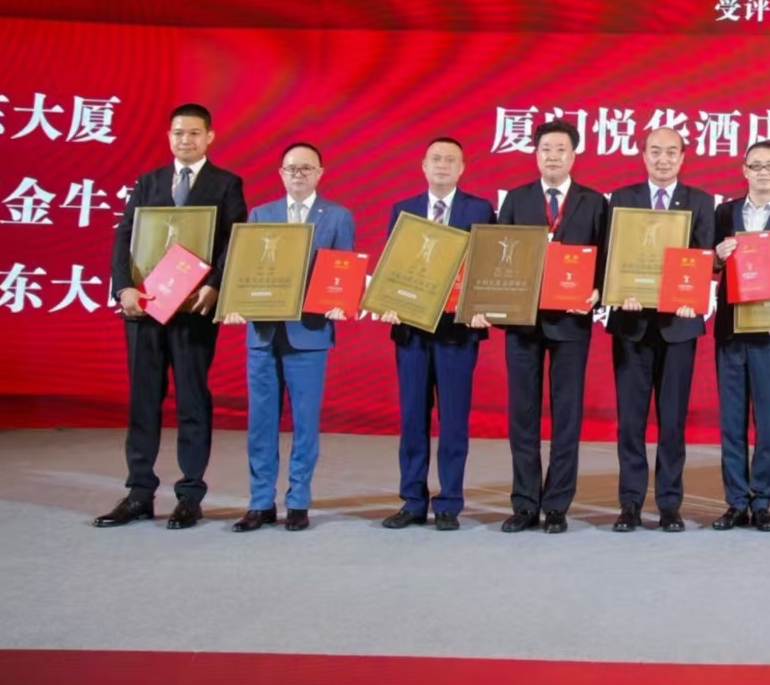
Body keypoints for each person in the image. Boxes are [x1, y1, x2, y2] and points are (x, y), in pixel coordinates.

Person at [96, 103, 248, 530]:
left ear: (209, 137)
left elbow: (234, 240)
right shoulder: (148, 182)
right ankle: (139, 493)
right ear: (169, 136)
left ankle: (190, 494)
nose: (186, 140)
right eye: (179, 133)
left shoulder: (226, 183)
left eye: (194, 133)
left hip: (193, 310)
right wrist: (123, 288)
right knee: (143, 401)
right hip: (145, 309)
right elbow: (124, 237)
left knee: (192, 400)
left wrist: (215, 284)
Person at [221, 142, 355, 533]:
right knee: (261, 422)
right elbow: (245, 268)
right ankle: (260, 502)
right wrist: (235, 303)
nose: (298, 175)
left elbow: (343, 267)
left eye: (306, 168)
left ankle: (298, 500)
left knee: (305, 422)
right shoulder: (261, 214)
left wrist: (341, 302)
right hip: (263, 332)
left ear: (320, 173)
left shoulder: (338, 216)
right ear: (281, 173)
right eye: (291, 168)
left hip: (309, 334)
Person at [482, 119, 607, 534]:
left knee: (567, 415)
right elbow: (498, 258)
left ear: (574, 155)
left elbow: (606, 256)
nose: (552, 156)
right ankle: (524, 503)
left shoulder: (594, 201)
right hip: (523, 322)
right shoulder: (516, 200)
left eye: (560, 149)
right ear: (535, 154)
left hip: (571, 322)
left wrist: (598, 289)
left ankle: (557, 505)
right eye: (545, 149)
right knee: (523, 414)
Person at [381, 137, 496, 531]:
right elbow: (392, 267)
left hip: (457, 333)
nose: (442, 165)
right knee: (413, 418)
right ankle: (412, 501)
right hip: (411, 331)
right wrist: (388, 302)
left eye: (450, 160)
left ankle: (448, 502)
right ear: (423, 166)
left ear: (462, 168)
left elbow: (487, 265)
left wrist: (482, 307)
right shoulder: (404, 209)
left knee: (454, 421)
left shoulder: (479, 209)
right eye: (436, 159)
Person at [607, 126, 715, 533]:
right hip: (632, 323)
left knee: (672, 420)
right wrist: (620, 292)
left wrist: (693, 292)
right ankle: (630, 503)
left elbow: (704, 256)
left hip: (679, 325)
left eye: (671, 152)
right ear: (643, 155)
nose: (663, 159)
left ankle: (670, 504)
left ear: (683, 158)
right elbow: (612, 254)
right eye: (655, 151)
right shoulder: (622, 199)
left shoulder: (700, 201)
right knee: (630, 421)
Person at [708, 139, 770, 533]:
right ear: (744, 171)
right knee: (731, 421)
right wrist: (718, 258)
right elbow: (709, 266)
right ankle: (736, 501)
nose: (763, 172)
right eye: (756, 166)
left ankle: (763, 500)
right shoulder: (725, 212)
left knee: (767, 421)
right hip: (732, 329)